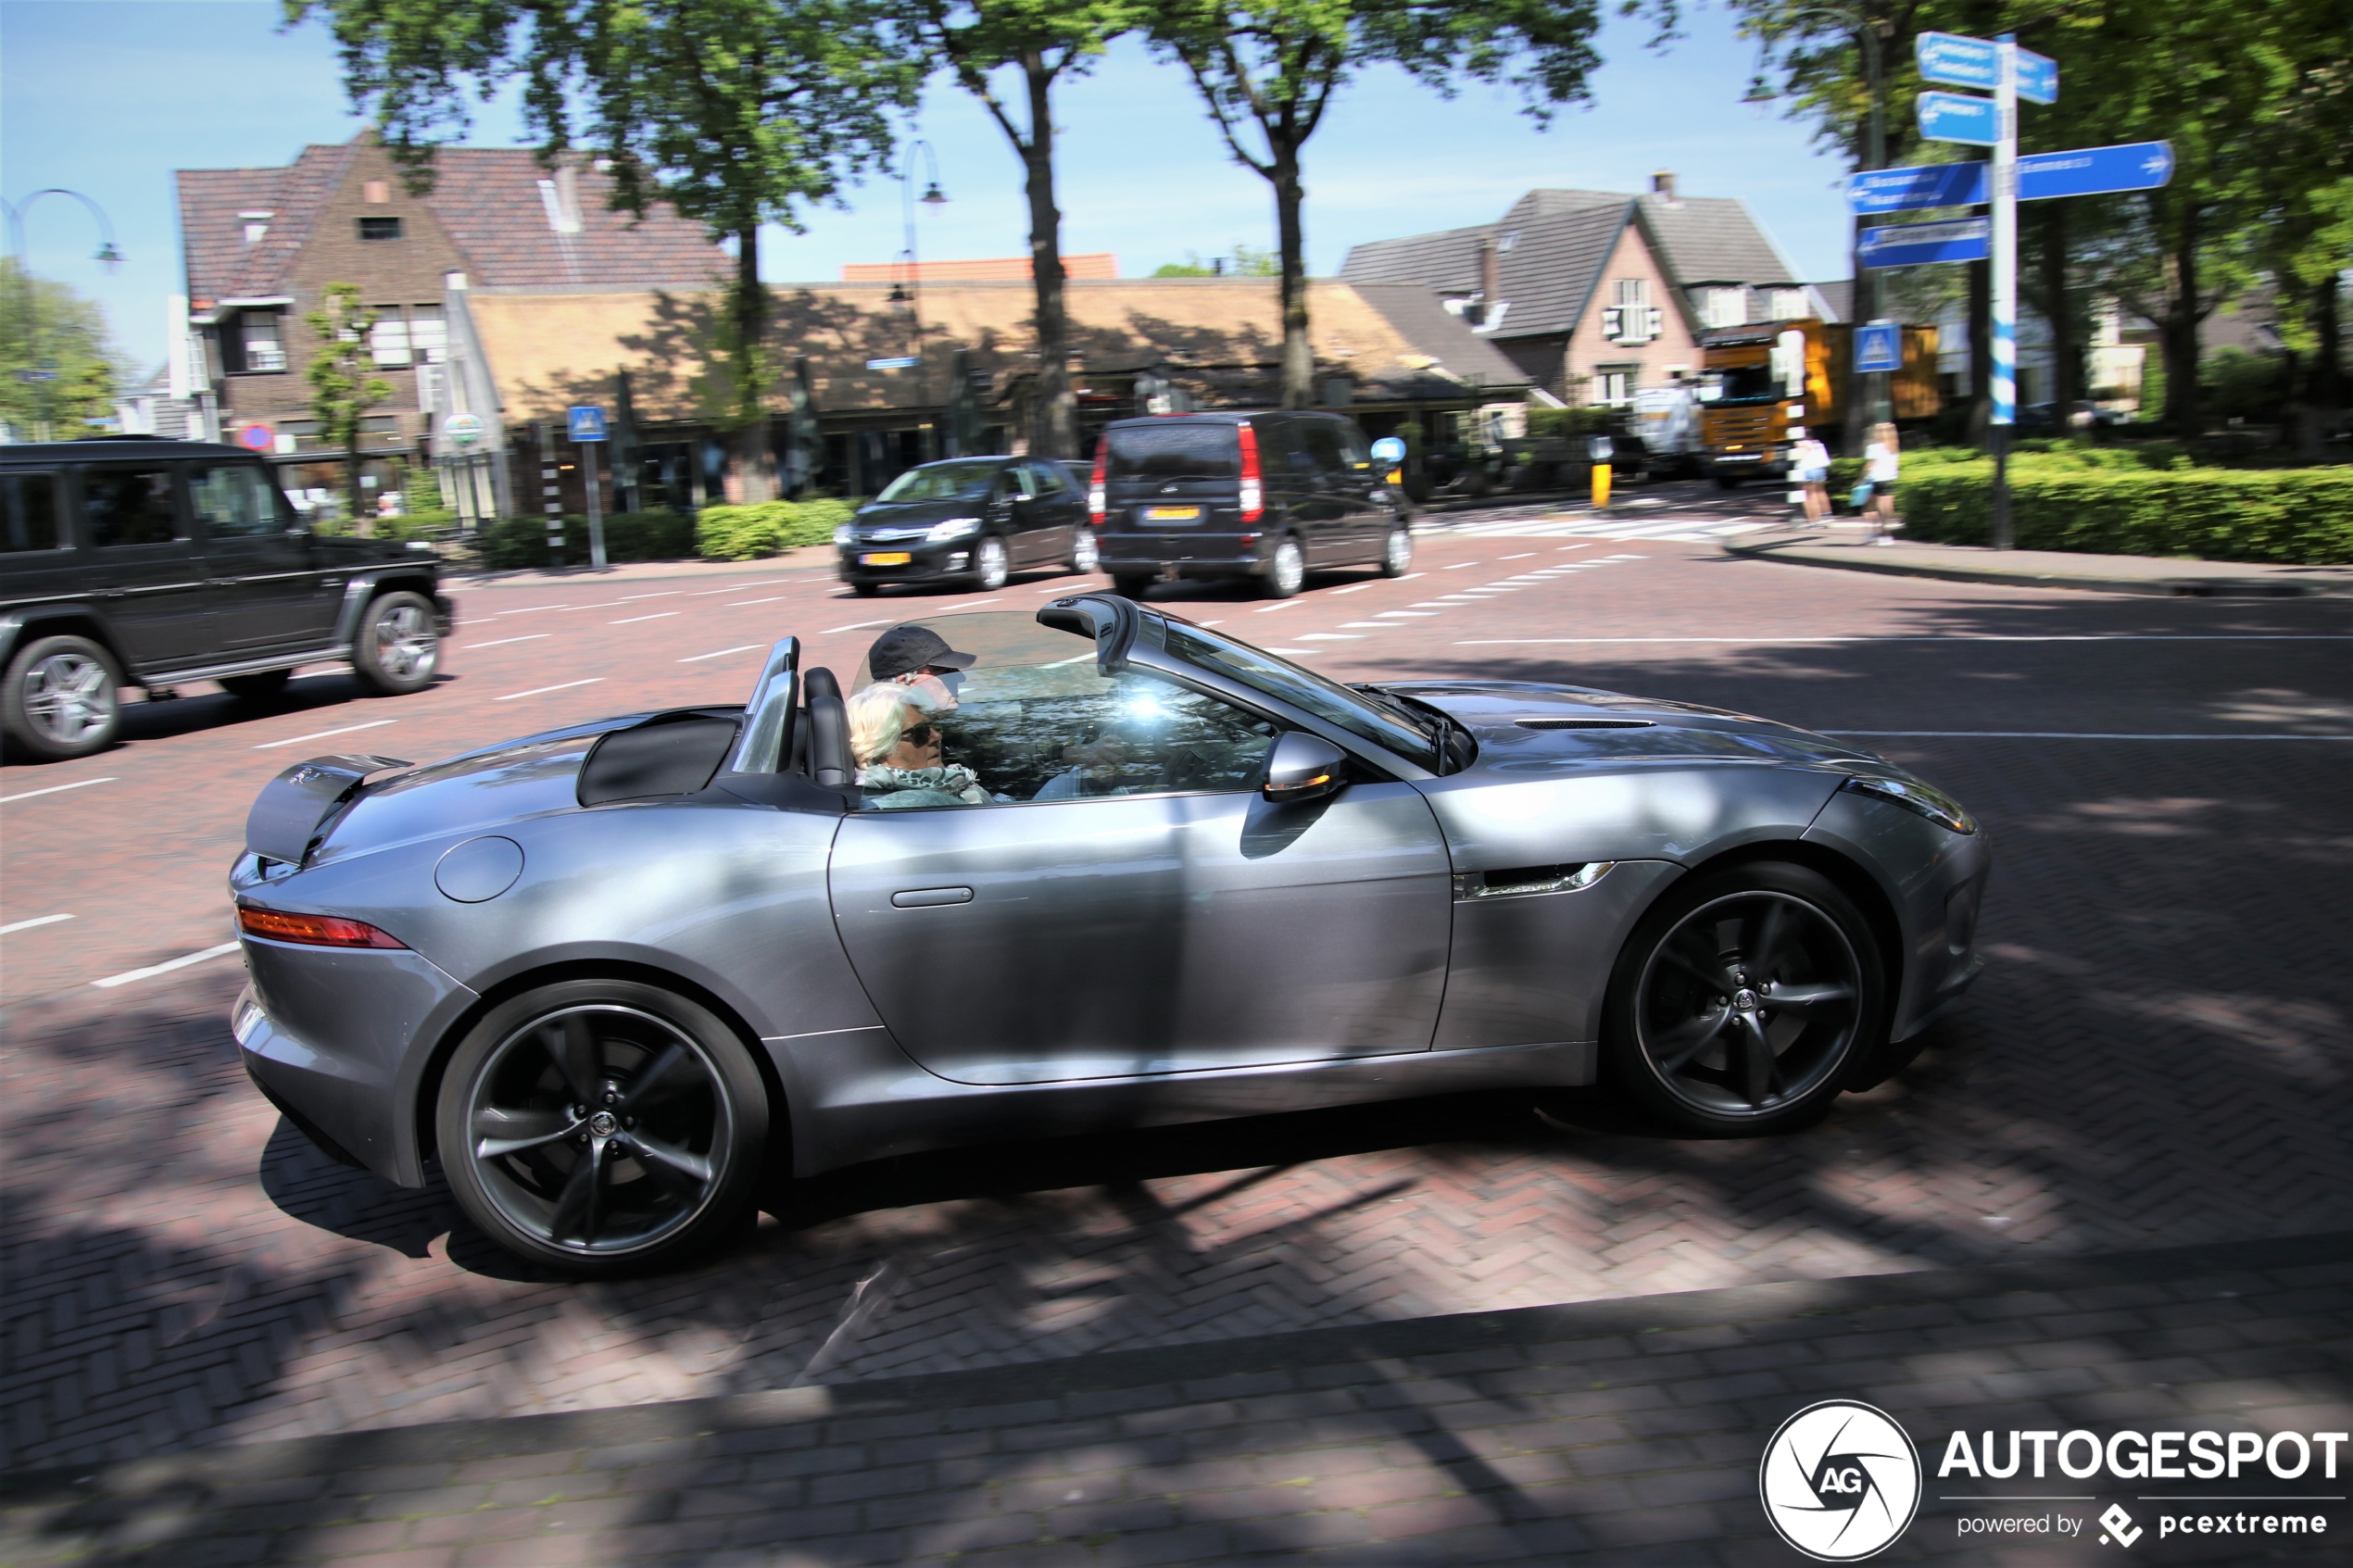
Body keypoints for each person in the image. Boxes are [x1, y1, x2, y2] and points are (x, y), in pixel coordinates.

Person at [846, 682, 988, 807]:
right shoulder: (909, 804)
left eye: (934, 725)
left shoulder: (951, 785)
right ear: (877, 752)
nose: (937, 736)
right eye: (920, 732)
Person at [865, 624, 976, 719]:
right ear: (904, 681)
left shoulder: (939, 731)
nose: (960, 677)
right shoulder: (895, 739)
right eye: (945, 671)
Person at [1862, 422, 1902, 544]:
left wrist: (1861, 479)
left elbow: (1870, 465)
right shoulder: (1893, 446)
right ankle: (1886, 536)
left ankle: (1874, 531)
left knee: (1869, 507)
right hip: (1889, 479)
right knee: (1887, 510)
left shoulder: (1873, 447)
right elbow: (1896, 465)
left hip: (1875, 480)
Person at [1789, 427, 1831, 525]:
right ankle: (1827, 516)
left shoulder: (1800, 444)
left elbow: (1795, 457)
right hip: (1820, 469)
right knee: (1821, 493)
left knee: (1810, 496)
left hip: (1807, 470)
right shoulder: (1818, 443)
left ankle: (1814, 519)